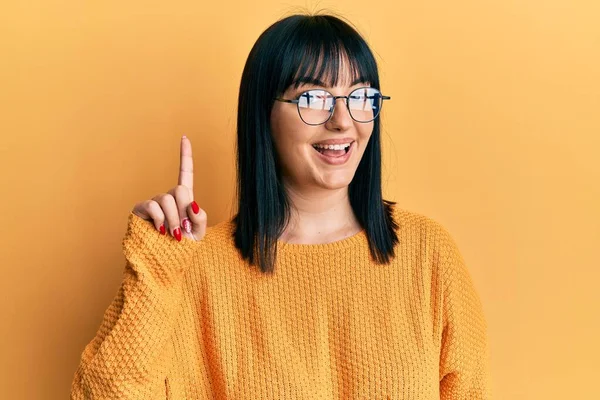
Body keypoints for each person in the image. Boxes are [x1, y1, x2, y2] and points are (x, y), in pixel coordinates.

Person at [70, 13, 492, 399]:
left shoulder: (428, 253)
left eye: (361, 96)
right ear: (263, 115)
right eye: (313, 98)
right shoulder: (199, 270)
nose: (343, 121)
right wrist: (158, 266)